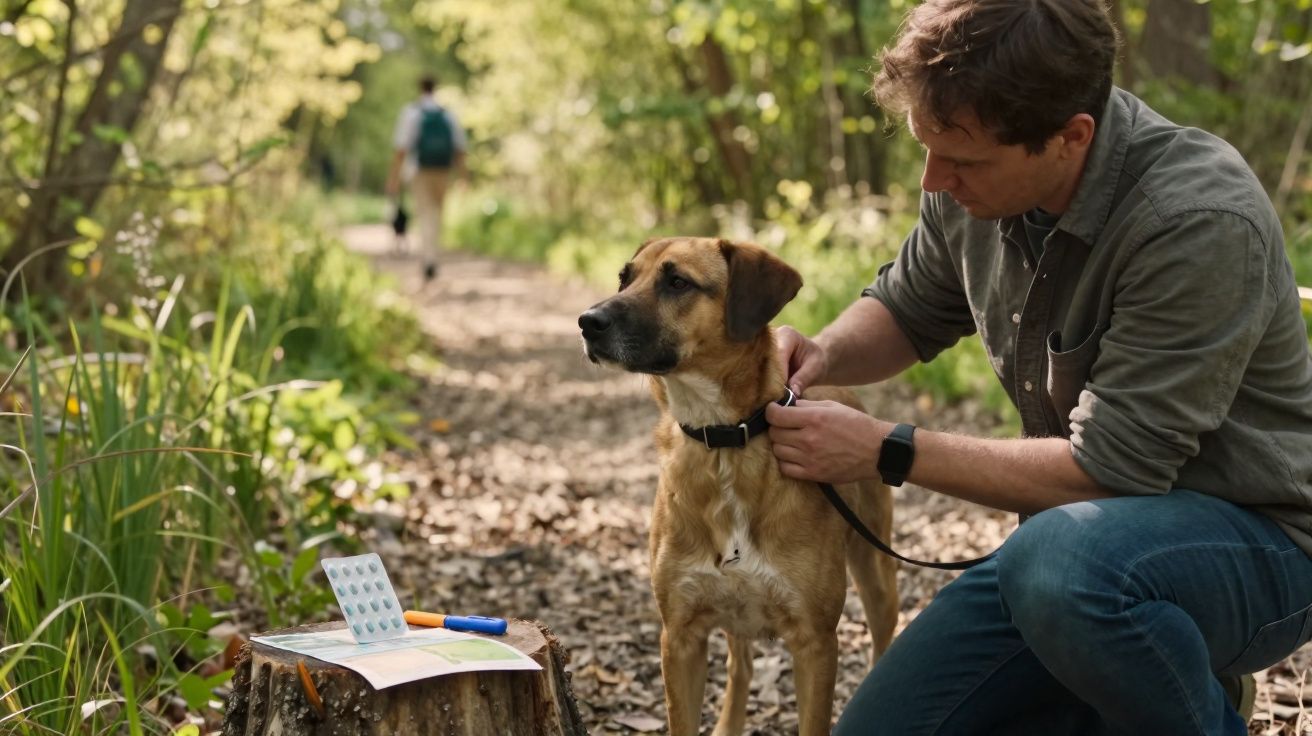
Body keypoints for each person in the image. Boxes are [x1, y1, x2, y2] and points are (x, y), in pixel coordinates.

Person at [763, 0, 1312, 733]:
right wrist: (821, 351)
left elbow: (1114, 468)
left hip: (1257, 543)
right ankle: (1140, 677)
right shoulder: (973, 178)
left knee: (1060, 567)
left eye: (959, 160)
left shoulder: (1196, 217)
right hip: (1078, 552)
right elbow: (909, 307)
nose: (934, 179)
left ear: (1070, 137)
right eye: (927, 149)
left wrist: (884, 450)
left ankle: (1183, 690)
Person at [387, 75, 467, 280]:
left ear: (420, 88)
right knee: (438, 213)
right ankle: (433, 257)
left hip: (418, 171)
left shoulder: (412, 112)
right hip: (443, 170)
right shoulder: (448, 114)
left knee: (424, 213)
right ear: (435, 88)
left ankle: (428, 258)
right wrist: (463, 176)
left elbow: (401, 149)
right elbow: (459, 149)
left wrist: (394, 177)